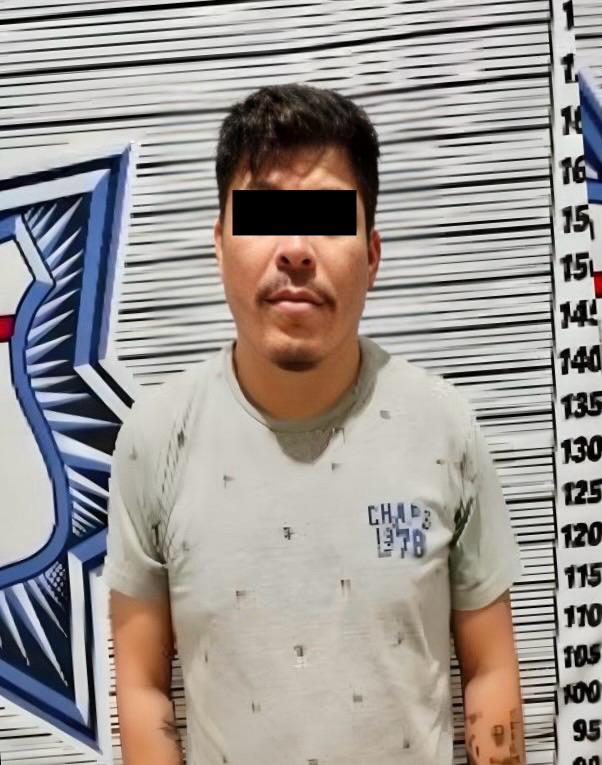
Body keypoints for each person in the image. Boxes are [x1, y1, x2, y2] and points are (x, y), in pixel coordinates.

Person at [102, 83, 525, 765]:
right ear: (219, 244)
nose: (296, 249)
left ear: (373, 255)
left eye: (327, 218)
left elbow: (490, 671)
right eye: (264, 214)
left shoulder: (444, 429)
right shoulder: (155, 440)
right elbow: (143, 687)